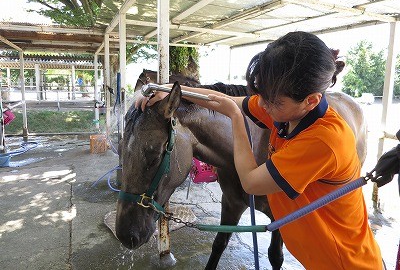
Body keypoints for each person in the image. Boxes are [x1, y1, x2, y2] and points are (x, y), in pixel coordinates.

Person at [136, 31, 384, 269]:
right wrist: (168, 90)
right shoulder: (289, 112)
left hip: (343, 264)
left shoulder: (324, 141)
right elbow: (226, 100)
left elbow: (251, 183)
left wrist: (236, 118)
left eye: (274, 101)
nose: (263, 105)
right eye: (262, 95)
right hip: (316, 260)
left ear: (311, 100)